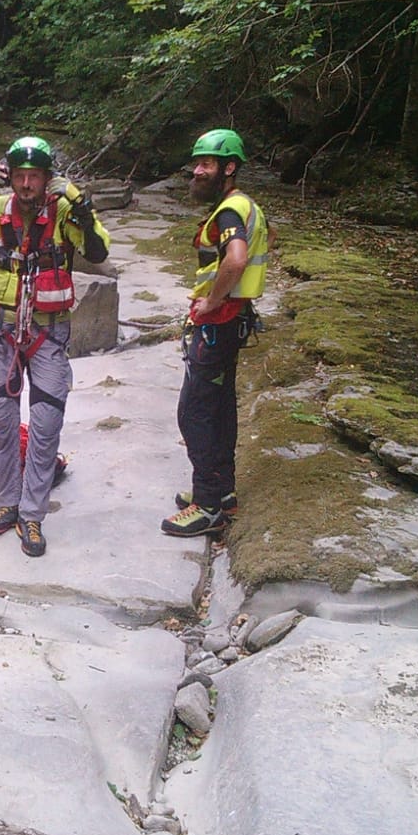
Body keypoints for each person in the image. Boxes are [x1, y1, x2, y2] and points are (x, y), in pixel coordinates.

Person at [0, 136, 110, 557]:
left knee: (46, 424)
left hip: (49, 332)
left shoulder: (66, 212)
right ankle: (6, 504)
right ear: (10, 177)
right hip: (2, 328)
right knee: (0, 421)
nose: (27, 184)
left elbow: (98, 250)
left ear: (48, 179)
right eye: (19, 176)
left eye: (35, 176)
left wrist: (81, 204)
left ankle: (32, 514)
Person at [163, 127, 269, 538]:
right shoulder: (243, 205)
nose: (197, 170)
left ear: (229, 168)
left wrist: (211, 302)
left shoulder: (229, 211)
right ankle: (223, 492)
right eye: (197, 162)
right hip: (234, 320)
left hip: (220, 322)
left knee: (194, 412)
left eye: (206, 163)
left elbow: (236, 260)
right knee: (221, 405)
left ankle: (207, 505)